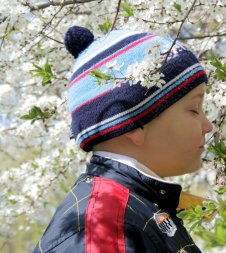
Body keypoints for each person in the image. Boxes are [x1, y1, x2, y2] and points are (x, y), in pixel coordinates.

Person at [33, 26, 213, 253]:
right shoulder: (104, 226)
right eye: (194, 109)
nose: (208, 126)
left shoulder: (134, 209)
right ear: (134, 124)